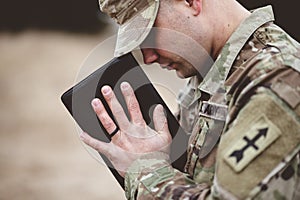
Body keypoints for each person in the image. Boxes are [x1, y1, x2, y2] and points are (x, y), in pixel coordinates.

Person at [79, 0, 300, 199]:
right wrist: (160, 151)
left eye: (150, 34)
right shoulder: (211, 68)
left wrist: (145, 172)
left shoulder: (278, 79)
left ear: (191, 2)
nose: (148, 57)